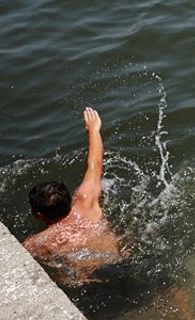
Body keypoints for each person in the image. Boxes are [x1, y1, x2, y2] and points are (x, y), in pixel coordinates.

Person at [23, 107, 123, 286]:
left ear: (39, 215)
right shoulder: (86, 201)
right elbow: (95, 163)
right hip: (120, 263)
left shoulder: (37, 243)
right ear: (68, 199)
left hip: (93, 282)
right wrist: (93, 129)